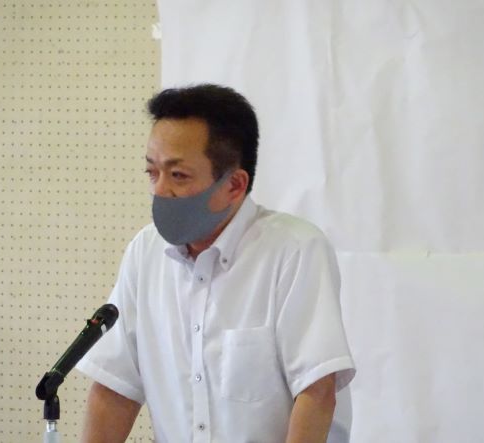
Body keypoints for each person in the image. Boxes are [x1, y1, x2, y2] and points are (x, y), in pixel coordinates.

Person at [76, 84, 355, 443]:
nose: (159, 190)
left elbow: (316, 392)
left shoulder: (295, 251)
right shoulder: (145, 252)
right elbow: (114, 391)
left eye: (178, 175)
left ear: (234, 185)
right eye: (152, 173)